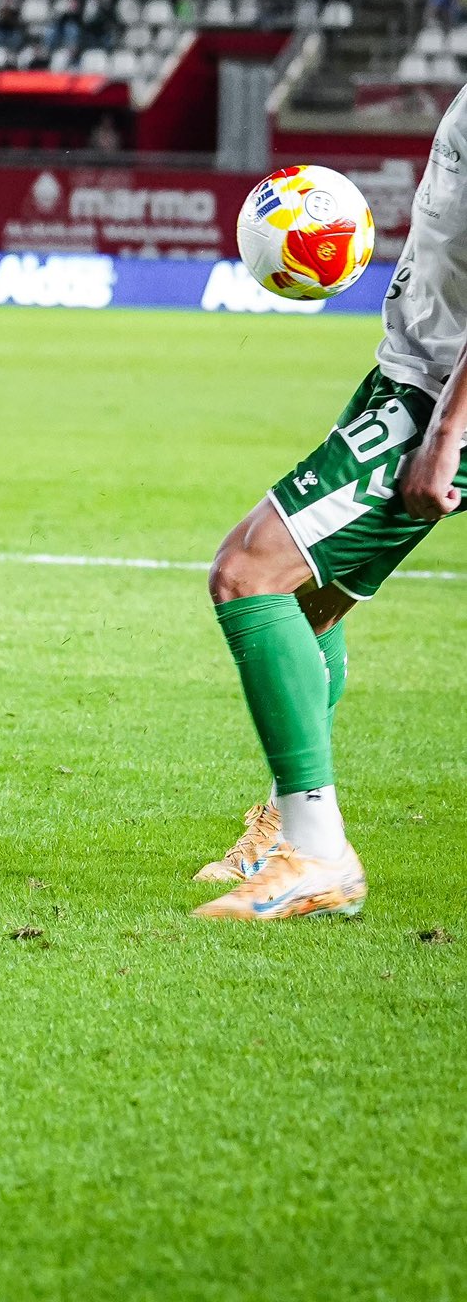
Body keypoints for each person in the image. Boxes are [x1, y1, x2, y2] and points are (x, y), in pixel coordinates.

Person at [198, 105, 467, 920]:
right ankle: (288, 823)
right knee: (313, 603)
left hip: (439, 399)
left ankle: (318, 854)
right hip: (414, 377)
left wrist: (447, 435)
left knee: (249, 573)